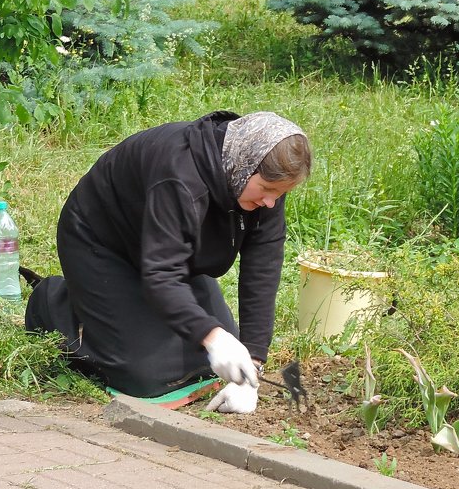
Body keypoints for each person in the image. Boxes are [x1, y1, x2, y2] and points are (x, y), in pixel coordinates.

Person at [24, 110, 311, 414]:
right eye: (267, 190)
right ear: (244, 166)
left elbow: (262, 270)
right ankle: (53, 302)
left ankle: (127, 312)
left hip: (168, 249)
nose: (271, 203)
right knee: (145, 376)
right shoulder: (178, 175)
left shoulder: (260, 183)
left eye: (280, 194)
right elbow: (161, 275)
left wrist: (252, 363)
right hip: (100, 243)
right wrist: (213, 338)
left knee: (213, 360)